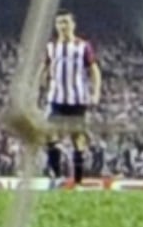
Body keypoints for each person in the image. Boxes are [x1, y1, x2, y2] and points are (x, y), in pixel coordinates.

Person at [38, 11, 100, 186]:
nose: (62, 26)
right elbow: (44, 67)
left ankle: (78, 180)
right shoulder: (51, 47)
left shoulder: (83, 46)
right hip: (56, 98)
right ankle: (57, 176)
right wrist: (38, 85)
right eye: (59, 23)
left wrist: (96, 92)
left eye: (65, 22)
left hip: (77, 99)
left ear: (73, 25)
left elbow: (94, 70)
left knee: (77, 138)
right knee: (50, 134)